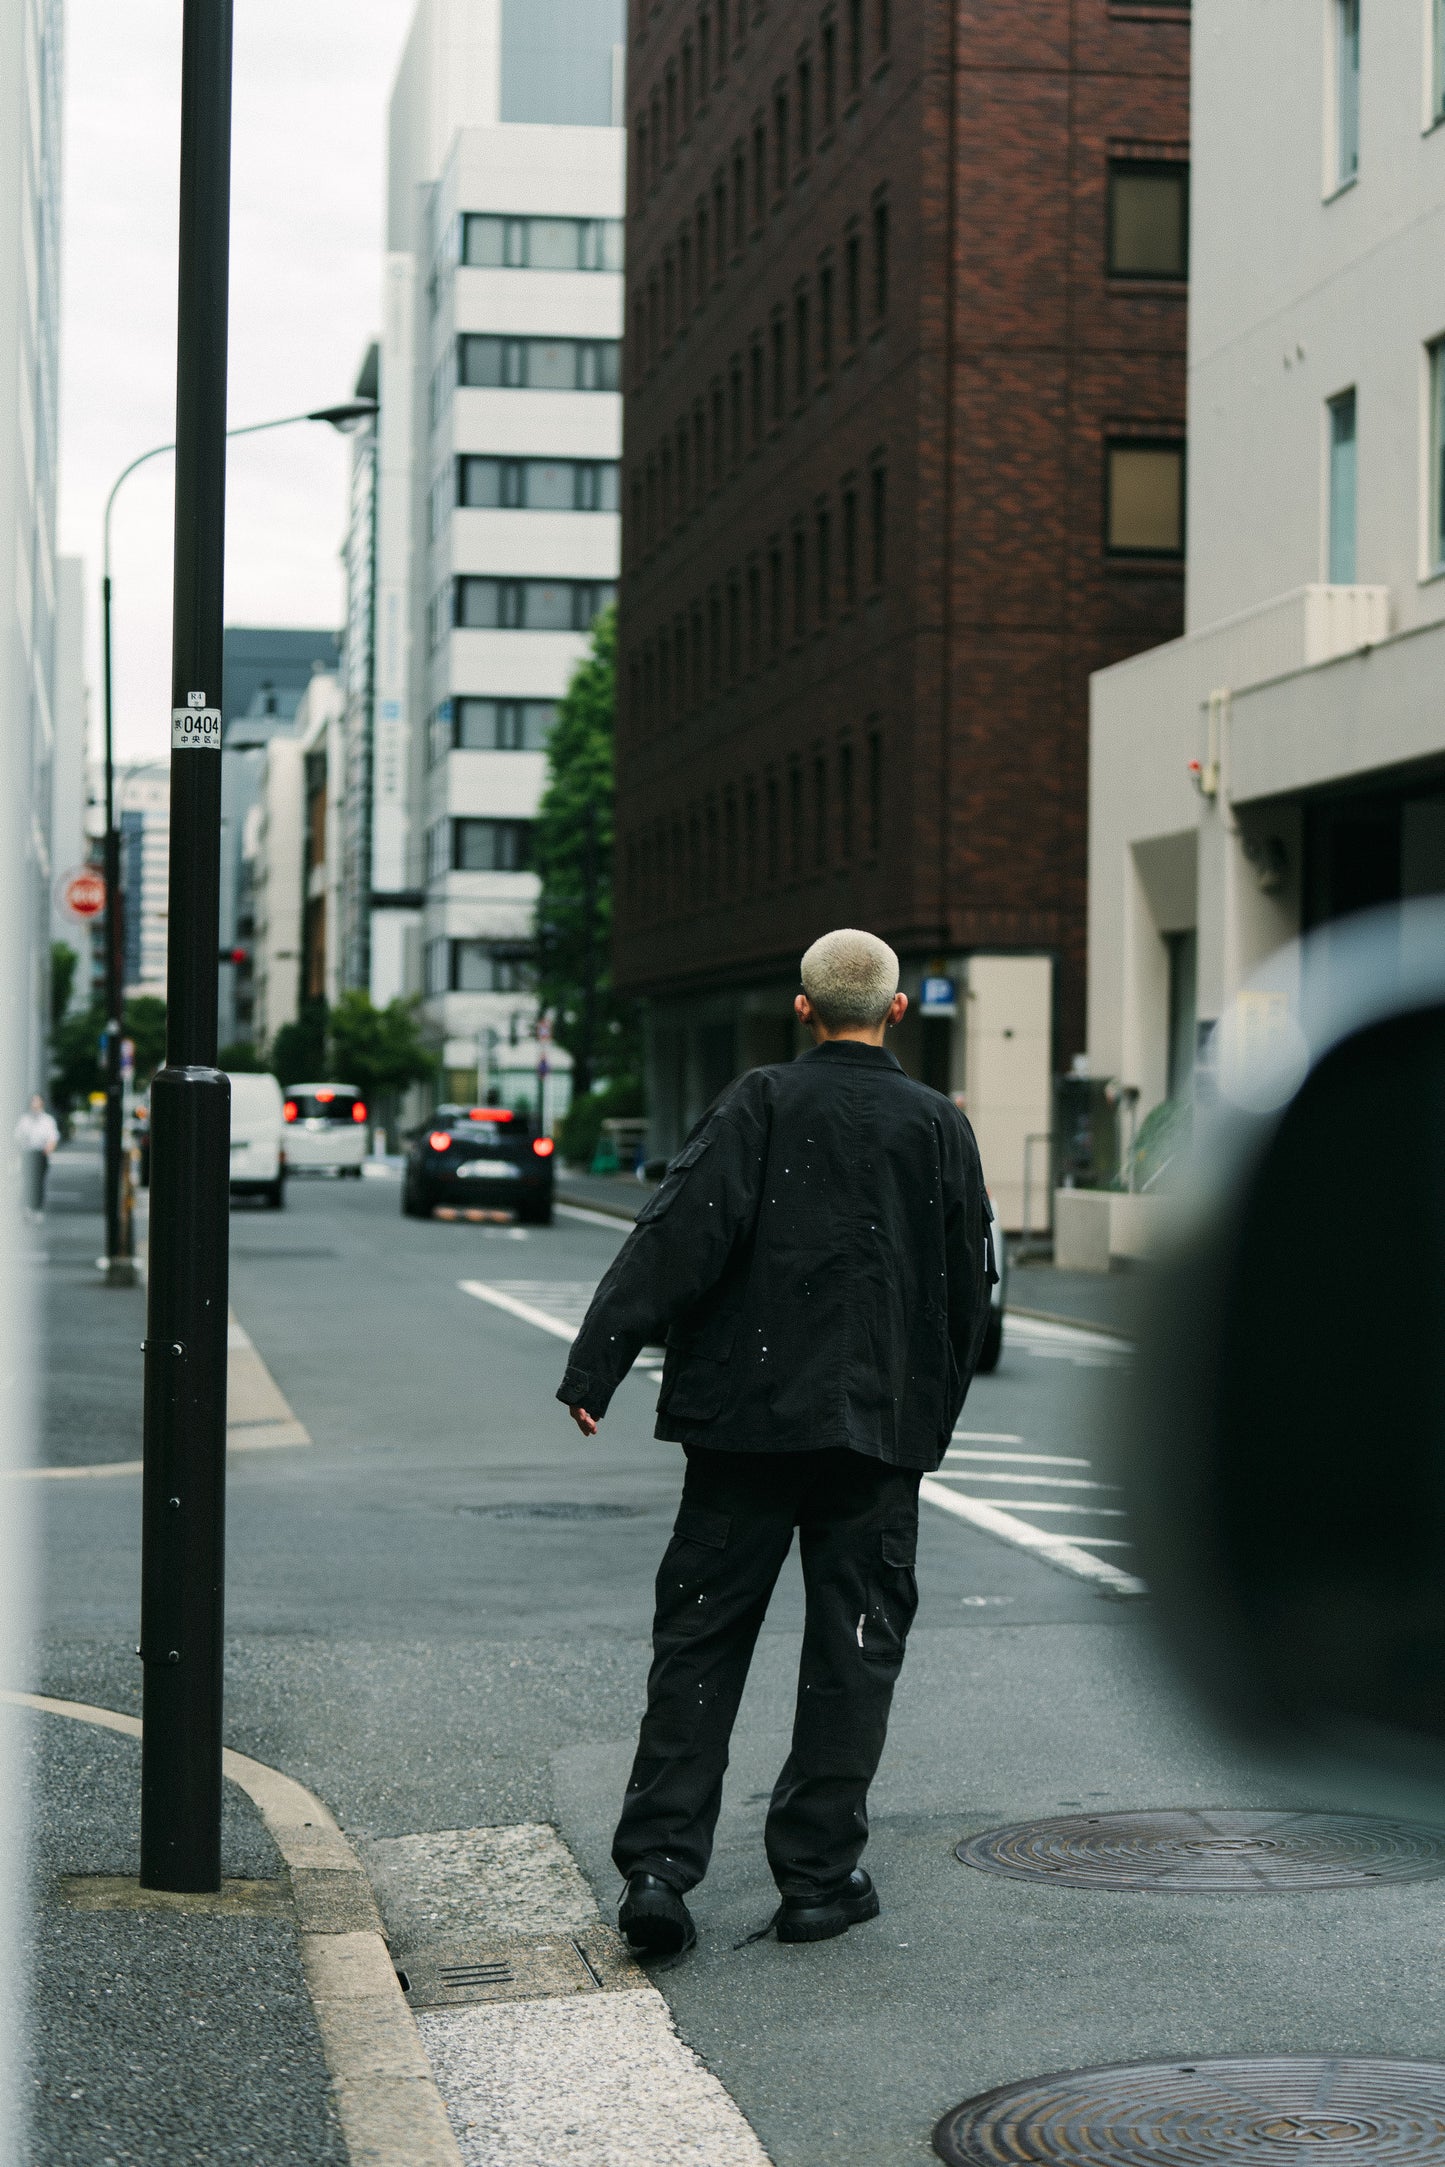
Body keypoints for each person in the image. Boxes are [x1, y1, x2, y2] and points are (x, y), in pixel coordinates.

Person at [557, 928, 995, 1958]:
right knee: (852, 1651)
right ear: (895, 1011)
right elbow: (964, 1291)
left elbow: (677, 1232)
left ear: (800, 1007)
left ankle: (661, 1868)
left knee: (700, 1641)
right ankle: (815, 1875)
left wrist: (597, 1365)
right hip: (873, 1433)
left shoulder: (758, 1101)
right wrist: (926, 1422)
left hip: (743, 1427)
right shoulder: (936, 1125)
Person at [15, 1094, 60, 1222]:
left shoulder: (47, 1120)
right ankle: (27, 1207)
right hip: (28, 1153)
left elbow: (53, 1137)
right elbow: (18, 1136)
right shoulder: (25, 1120)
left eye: (37, 1101)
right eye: (33, 1101)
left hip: (41, 1153)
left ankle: (37, 1208)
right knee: (27, 1181)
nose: (34, 1104)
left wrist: (49, 1148)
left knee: (39, 1182)